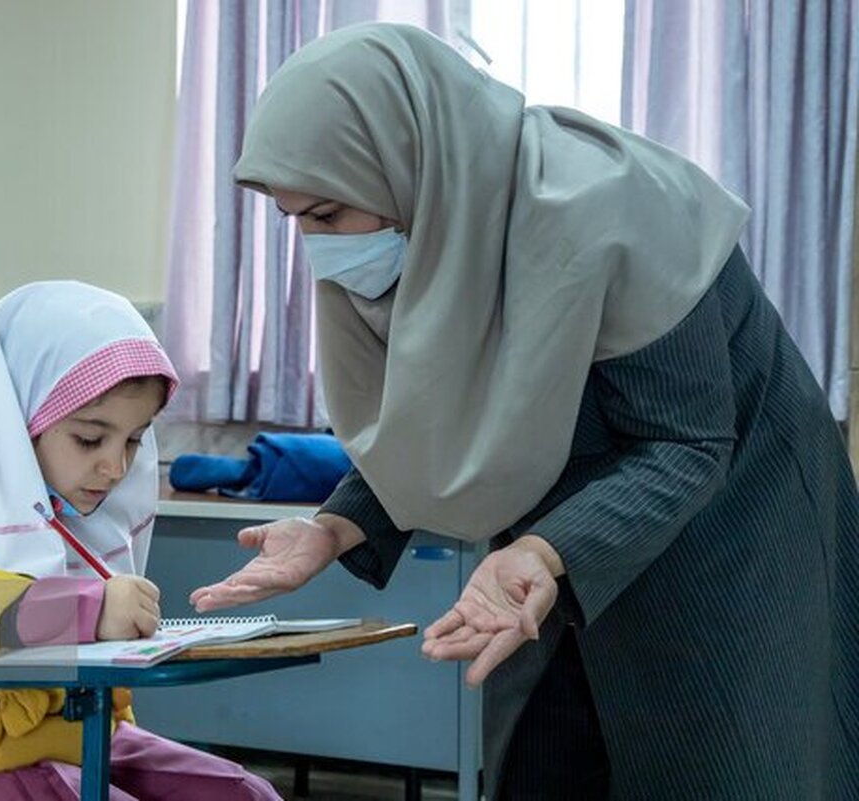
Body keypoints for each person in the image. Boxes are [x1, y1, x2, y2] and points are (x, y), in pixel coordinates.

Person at [190, 22, 859, 800]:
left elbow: (683, 443)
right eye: (294, 218)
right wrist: (333, 527)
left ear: (412, 162)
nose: (315, 245)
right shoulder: (437, 225)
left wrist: (544, 552)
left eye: (330, 215)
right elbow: (436, 415)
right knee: (542, 757)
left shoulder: (611, 212)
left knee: (713, 756)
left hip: (728, 532)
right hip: (546, 550)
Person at [0, 282, 280, 801]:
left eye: (134, 439)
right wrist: (86, 609)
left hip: (61, 735)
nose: (115, 467)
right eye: (90, 438)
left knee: (248, 794)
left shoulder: (66, 508)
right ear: (13, 420)